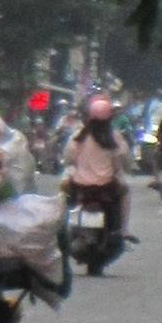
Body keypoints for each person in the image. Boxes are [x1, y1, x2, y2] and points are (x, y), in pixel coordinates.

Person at [61, 91, 132, 254]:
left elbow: (68, 158)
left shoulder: (78, 137)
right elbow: (120, 162)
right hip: (106, 186)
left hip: (79, 186)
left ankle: (59, 224)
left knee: (63, 192)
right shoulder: (114, 138)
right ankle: (123, 229)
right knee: (125, 191)